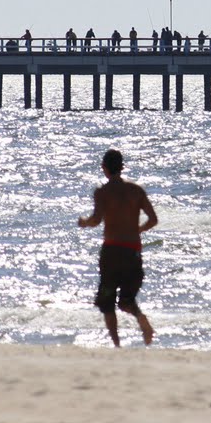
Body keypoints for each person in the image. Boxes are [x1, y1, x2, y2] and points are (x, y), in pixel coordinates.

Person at [78, 149, 158, 347]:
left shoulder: (102, 192)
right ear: (122, 167)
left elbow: (96, 220)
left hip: (111, 251)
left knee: (107, 302)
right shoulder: (136, 190)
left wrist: (84, 222)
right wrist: (136, 230)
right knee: (126, 301)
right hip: (132, 250)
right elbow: (153, 219)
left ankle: (117, 345)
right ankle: (141, 319)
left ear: (104, 168)